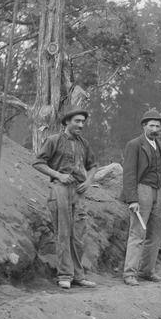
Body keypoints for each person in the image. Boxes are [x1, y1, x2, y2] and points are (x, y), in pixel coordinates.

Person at [32, 109, 98, 290]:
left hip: (78, 191)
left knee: (79, 235)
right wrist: (58, 175)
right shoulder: (54, 140)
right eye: (77, 121)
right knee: (63, 233)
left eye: (83, 122)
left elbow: (92, 166)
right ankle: (65, 275)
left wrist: (89, 182)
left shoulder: (84, 143)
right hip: (59, 190)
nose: (81, 125)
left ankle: (78, 275)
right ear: (67, 122)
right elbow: (38, 163)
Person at [120, 109, 161, 286]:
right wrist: (132, 199)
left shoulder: (160, 144)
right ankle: (129, 274)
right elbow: (129, 173)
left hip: (158, 191)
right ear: (144, 126)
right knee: (137, 233)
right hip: (142, 190)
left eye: (158, 126)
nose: (155, 129)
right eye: (152, 125)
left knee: (155, 234)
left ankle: (146, 271)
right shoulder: (134, 145)